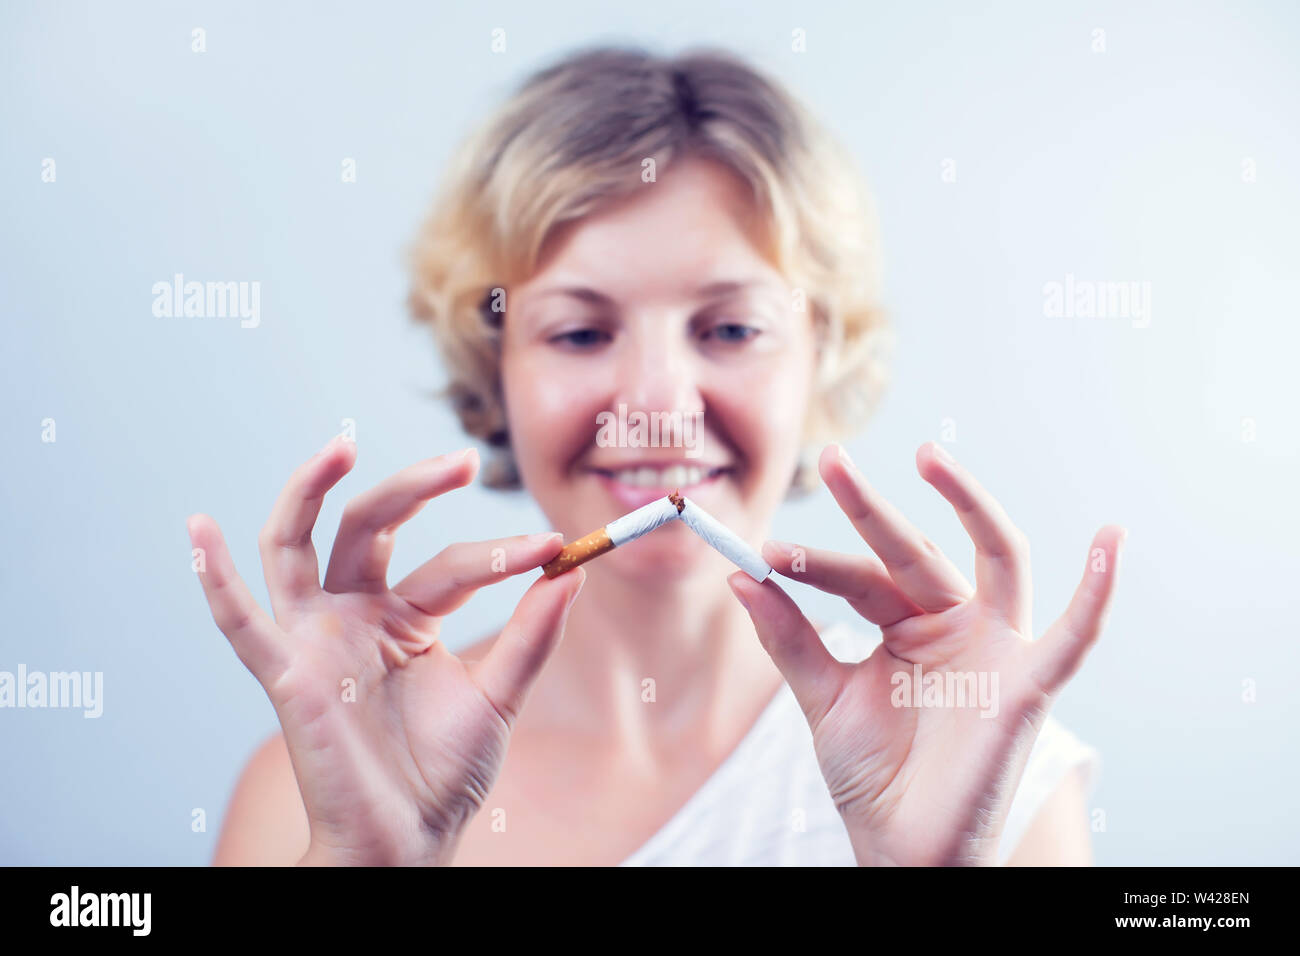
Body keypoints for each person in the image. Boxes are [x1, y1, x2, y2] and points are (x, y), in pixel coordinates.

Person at [187, 45, 1123, 866]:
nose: (661, 406)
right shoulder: (317, 790)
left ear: (818, 358)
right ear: (494, 364)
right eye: (582, 334)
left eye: (729, 327)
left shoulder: (991, 775)